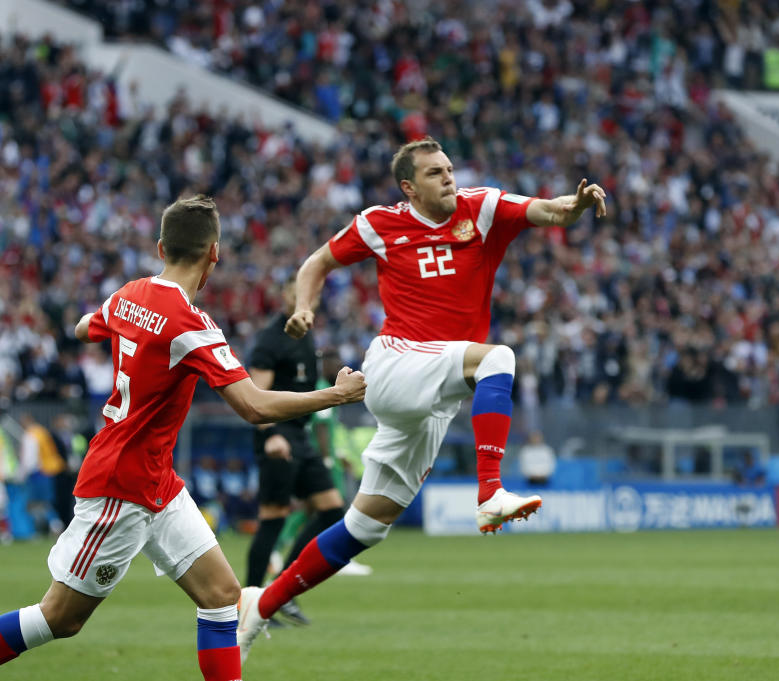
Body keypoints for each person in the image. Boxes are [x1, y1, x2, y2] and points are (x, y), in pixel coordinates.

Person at [237, 137, 606, 659]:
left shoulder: (484, 208)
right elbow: (315, 263)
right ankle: (490, 494)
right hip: (395, 363)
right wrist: (304, 308)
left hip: (434, 395)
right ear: (409, 186)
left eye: (450, 168)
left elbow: (551, 210)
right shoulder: (379, 224)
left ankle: (260, 605)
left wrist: (579, 204)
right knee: (498, 357)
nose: (448, 177)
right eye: (434, 173)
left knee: (364, 528)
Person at [0, 195, 366, 680]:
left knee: (220, 597)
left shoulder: (129, 293)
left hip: (158, 484)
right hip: (120, 487)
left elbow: (84, 326)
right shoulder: (192, 325)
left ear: (160, 247)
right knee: (60, 618)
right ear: (213, 253)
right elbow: (253, 405)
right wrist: (335, 396)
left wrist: (117, 328)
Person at [244, 281, 370, 628]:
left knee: (331, 509)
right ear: (285, 298)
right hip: (276, 435)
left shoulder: (307, 335)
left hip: (299, 434)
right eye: (300, 296)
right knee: (273, 518)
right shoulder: (271, 340)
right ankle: (251, 601)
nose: (307, 303)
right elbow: (254, 395)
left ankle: (281, 589)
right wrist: (269, 434)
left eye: (311, 298)